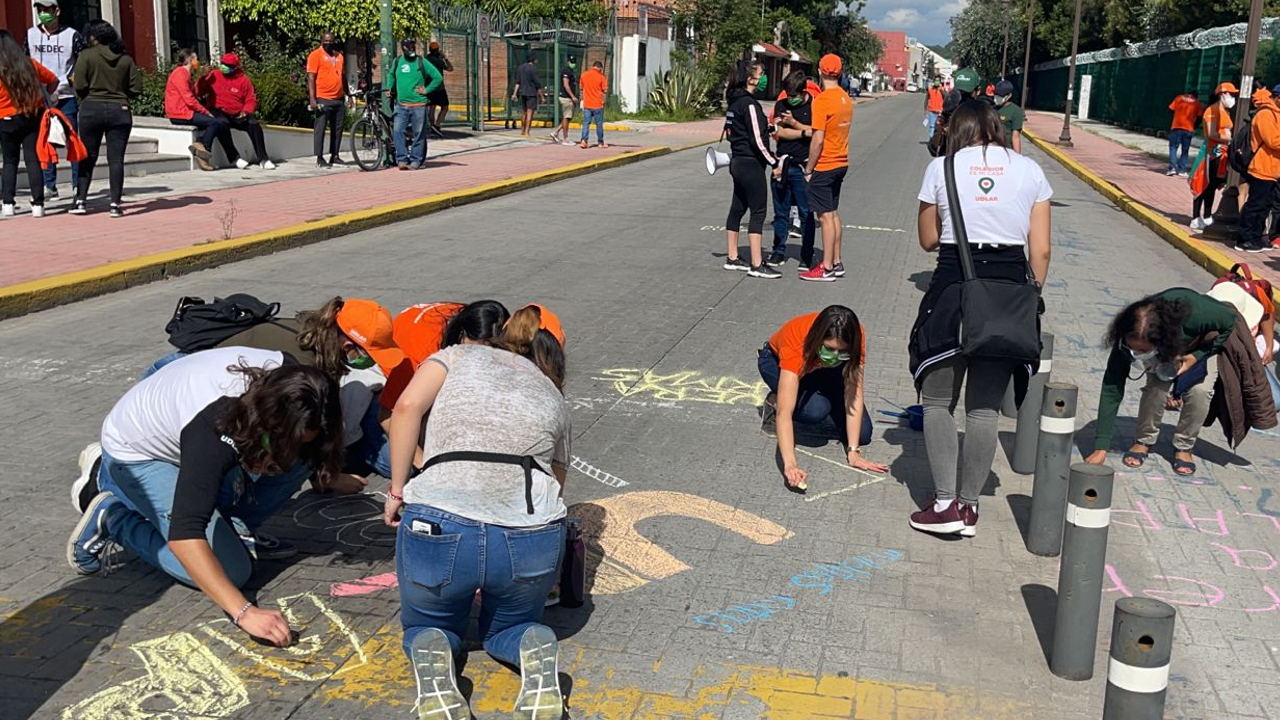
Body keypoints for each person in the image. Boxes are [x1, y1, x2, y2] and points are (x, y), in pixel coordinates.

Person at [68, 352, 345, 648]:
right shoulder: (215, 430)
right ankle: (113, 513)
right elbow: (186, 533)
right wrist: (244, 612)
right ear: (269, 421)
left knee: (300, 460)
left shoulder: (299, 385)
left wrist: (323, 473)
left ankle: (228, 525)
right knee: (232, 571)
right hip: (138, 454)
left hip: (186, 431)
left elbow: (309, 439)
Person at [384, 304, 570, 719]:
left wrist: (397, 490)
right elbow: (557, 477)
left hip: (440, 518)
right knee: (509, 626)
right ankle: (530, 642)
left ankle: (433, 653)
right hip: (528, 535)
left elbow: (405, 409)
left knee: (430, 623)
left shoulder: (456, 355)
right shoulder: (552, 392)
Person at [908, 101, 1053, 537]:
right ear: (996, 126)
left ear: (956, 129)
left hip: (954, 290)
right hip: (1008, 293)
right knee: (985, 408)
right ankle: (970, 509)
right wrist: (1029, 299)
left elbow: (928, 240)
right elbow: (1041, 251)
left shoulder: (942, 168)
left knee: (937, 401)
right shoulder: (1031, 171)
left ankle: (944, 501)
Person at [1085, 290, 1238, 476]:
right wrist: (1101, 447)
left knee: (1200, 392)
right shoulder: (1128, 336)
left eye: (1142, 351)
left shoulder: (1199, 314)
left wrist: (1196, 356)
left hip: (1201, 345)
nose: (1135, 355)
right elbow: (1112, 387)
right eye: (1132, 348)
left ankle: (1184, 447)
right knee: (1156, 388)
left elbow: (1231, 322)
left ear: (1160, 340)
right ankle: (1143, 441)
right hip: (1167, 350)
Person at [758, 306, 885, 491]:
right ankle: (773, 399)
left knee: (863, 434)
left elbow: (853, 393)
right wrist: (790, 465)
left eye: (843, 352)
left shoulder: (856, 335)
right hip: (775, 362)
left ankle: (822, 393)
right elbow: (785, 414)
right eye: (830, 348)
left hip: (821, 369)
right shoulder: (797, 343)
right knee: (814, 411)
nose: (835, 357)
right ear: (818, 339)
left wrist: (853, 452)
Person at [722, 59, 785, 280]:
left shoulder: (735, 100)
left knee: (737, 209)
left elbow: (743, 129)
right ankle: (757, 264)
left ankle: (732, 257)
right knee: (758, 212)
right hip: (751, 163)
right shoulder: (749, 103)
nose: (763, 78)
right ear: (750, 79)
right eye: (760, 74)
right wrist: (774, 161)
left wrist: (769, 126)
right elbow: (757, 139)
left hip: (737, 161)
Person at [72, 20, 140, 218]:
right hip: (120, 110)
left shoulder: (86, 56)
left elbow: (80, 84)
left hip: (91, 109)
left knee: (87, 156)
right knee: (116, 159)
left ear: (94, 37)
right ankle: (115, 205)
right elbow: (136, 89)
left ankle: (81, 200)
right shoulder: (125, 59)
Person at [799, 54, 854, 283]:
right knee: (832, 213)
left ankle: (827, 266)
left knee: (824, 217)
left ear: (820, 72)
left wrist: (809, 169)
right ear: (839, 73)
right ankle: (837, 260)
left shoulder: (821, 101)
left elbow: (818, 139)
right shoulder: (844, 98)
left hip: (825, 163)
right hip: (841, 160)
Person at [28, 0, 83, 199]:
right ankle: (49, 185)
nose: (43, 13)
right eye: (39, 10)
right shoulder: (31, 35)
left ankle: (78, 184)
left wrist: (74, 81)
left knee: (72, 141)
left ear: (57, 11)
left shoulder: (72, 36)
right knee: (43, 142)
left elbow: (83, 62)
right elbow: (23, 62)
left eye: (47, 10)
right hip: (40, 99)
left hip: (65, 96)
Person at [0, 29, 58, 218]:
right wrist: (46, 95)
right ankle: (38, 204)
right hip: (31, 116)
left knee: (9, 162)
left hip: (5, 118)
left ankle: (7, 203)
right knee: (33, 159)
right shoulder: (29, 64)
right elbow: (53, 80)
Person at [770, 71, 817, 268]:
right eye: (788, 95)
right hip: (783, 164)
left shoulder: (814, 106)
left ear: (803, 92)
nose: (790, 99)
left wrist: (794, 125)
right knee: (781, 213)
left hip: (803, 166)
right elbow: (779, 133)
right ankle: (778, 251)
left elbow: (817, 133)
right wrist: (802, 132)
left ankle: (807, 254)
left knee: (806, 213)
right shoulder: (781, 105)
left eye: (794, 96)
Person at [199, 52, 275, 170]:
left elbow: (250, 99)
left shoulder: (243, 80)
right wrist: (203, 77)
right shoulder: (213, 75)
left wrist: (245, 111)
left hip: (237, 113)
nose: (223, 66)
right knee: (221, 123)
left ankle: (263, 158)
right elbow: (198, 91)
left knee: (253, 124)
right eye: (223, 63)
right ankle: (234, 158)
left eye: (227, 65)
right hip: (219, 110)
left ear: (234, 68)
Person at [164, 48, 229, 172]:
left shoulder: (187, 75)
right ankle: (202, 147)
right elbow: (189, 99)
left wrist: (203, 76)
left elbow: (196, 93)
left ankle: (201, 146)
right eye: (196, 59)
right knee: (214, 122)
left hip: (185, 112)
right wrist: (206, 112)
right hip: (180, 113)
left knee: (216, 123)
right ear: (190, 60)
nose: (197, 62)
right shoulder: (180, 73)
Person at [1235, 85, 1280, 254]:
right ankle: (1245, 239)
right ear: (1277, 98)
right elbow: (1273, 141)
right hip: (1261, 167)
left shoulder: (1276, 114)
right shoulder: (1266, 114)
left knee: (1265, 205)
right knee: (1256, 204)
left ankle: (1256, 237)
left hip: (1272, 169)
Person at [388, 38, 442, 171]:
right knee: (397, 131)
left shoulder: (421, 61)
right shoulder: (397, 61)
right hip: (401, 105)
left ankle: (416, 160)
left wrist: (427, 90)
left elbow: (437, 77)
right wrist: (390, 87)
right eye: (408, 46)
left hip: (419, 105)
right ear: (403, 48)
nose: (411, 48)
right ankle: (401, 159)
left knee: (419, 133)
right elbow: (391, 75)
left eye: (413, 46)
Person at [1191, 81, 1238, 231]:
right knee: (1204, 184)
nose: (1232, 97)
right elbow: (1211, 133)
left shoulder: (1225, 111)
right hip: (1211, 153)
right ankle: (1196, 217)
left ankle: (1207, 215)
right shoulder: (1212, 111)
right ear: (1222, 94)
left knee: (1212, 186)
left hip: (1221, 153)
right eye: (1231, 94)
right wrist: (1229, 138)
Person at [308, 32, 349, 168]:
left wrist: (348, 94)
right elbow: (311, 78)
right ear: (321, 41)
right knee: (320, 128)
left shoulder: (340, 56)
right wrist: (313, 99)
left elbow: (343, 77)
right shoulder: (315, 55)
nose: (328, 43)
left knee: (337, 129)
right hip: (323, 98)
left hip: (338, 98)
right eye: (326, 41)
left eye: (330, 41)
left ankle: (335, 155)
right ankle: (319, 157)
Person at [1168, 90, 1203, 177]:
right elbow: (1199, 118)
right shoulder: (1197, 104)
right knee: (1185, 150)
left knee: (1173, 148)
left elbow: (1170, 110)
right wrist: (1194, 126)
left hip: (1176, 126)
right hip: (1188, 129)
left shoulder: (1179, 98)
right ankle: (1182, 170)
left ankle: (1172, 168)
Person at [425, 41, 452, 138]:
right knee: (445, 107)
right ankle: (437, 125)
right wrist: (445, 58)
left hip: (429, 87)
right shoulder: (438, 60)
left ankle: (432, 127)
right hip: (439, 87)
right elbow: (450, 68)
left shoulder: (426, 59)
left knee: (432, 107)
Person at [579, 60, 608, 149]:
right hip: (597, 104)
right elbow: (605, 90)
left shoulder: (584, 75)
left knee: (586, 123)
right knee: (598, 123)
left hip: (587, 104)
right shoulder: (601, 77)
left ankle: (584, 141)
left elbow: (581, 87)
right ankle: (600, 143)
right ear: (600, 68)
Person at [512, 54, 542, 137]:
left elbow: (517, 82)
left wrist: (514, 94)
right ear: (533, 60)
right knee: (530, 113)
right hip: (531, 93)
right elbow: (537, 84)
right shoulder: (533, 69)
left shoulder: (520, 68)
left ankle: (522, 130)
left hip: (523, 93)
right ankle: (527, 132)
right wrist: (542, 96)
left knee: (524, 113)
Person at [552, 54, 579, 145]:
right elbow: (566, 85)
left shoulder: (571, 71)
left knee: (568, 117)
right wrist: (572, 96)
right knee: (566, 117)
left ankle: (556, 132)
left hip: (568, 97)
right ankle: (565, 138)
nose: (573, 63)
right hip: (566, 97)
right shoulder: (566, 71)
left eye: (574, 62)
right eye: (571, 62)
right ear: (568, 61)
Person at [994, 80, 1024, 153]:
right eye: (996, 94)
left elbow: (1015, 137)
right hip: (992, 149)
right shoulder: (992, 109)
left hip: (1007, 151)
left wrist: (1018, 157)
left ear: (1009, 95)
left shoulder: (1016, 111)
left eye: (1001, 96)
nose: (997, 97)